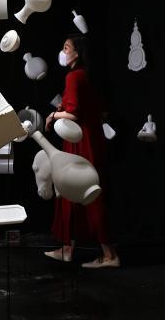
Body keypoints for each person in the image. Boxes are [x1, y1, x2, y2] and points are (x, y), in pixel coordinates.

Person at [44, 34, 120, 268]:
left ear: (77, 53)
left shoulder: (74, 76)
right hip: (88, 140)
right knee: (79, 192)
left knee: (84, 191)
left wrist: (53, 115)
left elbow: (74, 113)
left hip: (80, 141)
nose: (63, 52)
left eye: (66, 48)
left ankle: (109, 255)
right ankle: (68, 249)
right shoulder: (84, 76)